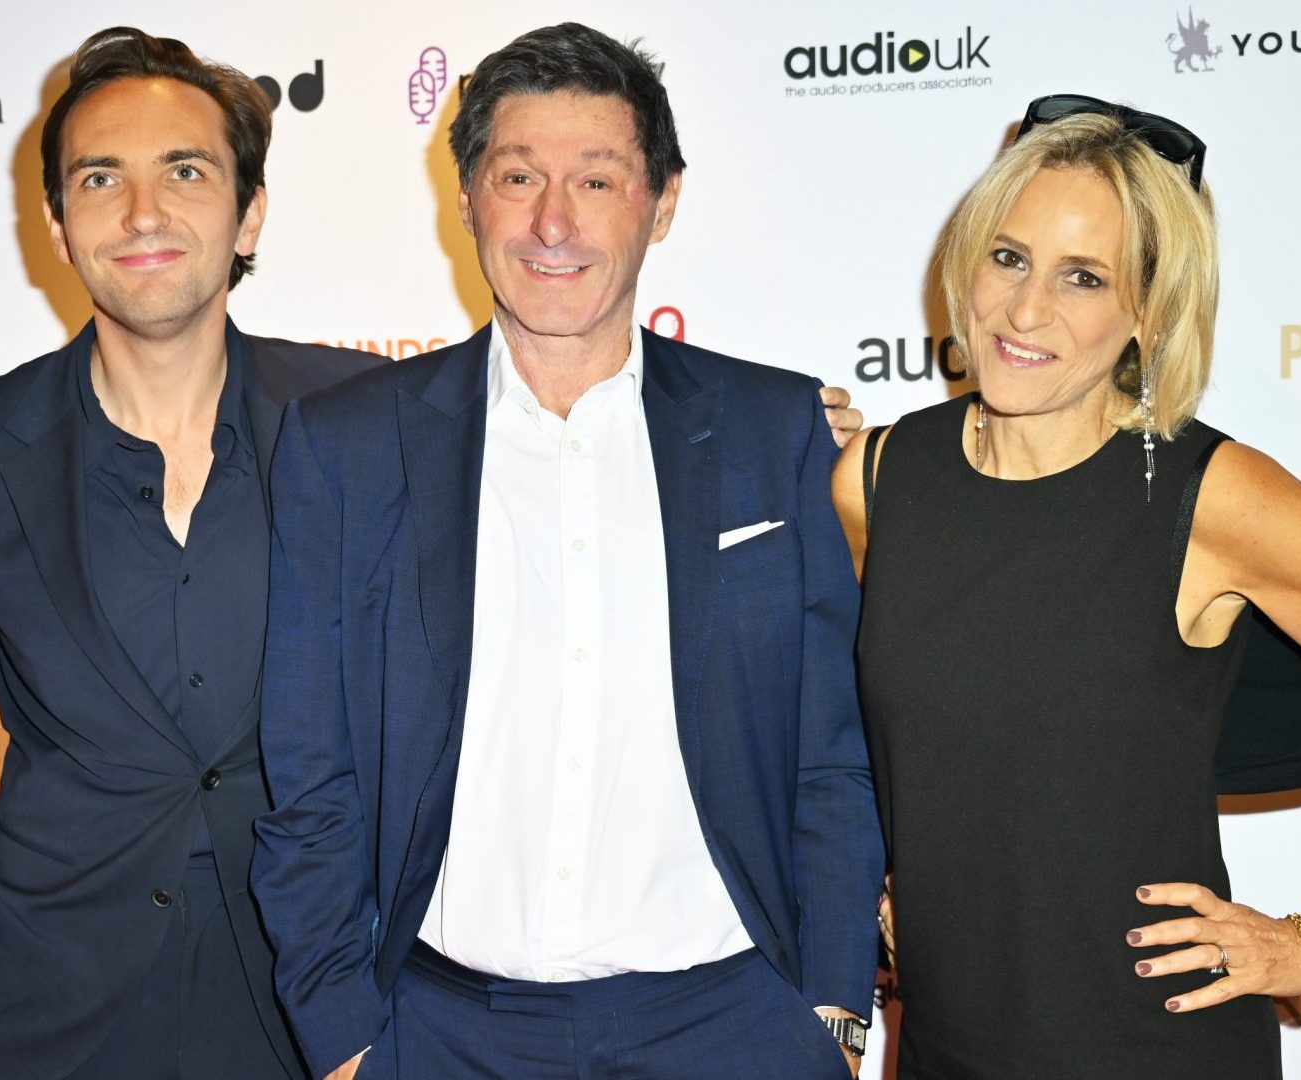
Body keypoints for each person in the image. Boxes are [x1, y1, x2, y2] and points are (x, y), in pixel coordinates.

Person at [836, 95, 1301, 1078]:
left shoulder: (1212, 497)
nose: (1025, 311)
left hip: (1157, 1046)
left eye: (1084, 278)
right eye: (1008, 256)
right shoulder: (876, 480)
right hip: (949, 1046)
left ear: (1148, 311)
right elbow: (850, 727)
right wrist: (877, 881)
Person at [251, 23, 882, 1080]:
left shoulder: (777, 432)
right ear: (465, 201)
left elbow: (830, 752)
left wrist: (831, 1011)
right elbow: (308, 769)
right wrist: (345, 1041)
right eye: (517, 176)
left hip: (735, 1025)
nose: (554, 221)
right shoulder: (348, 448)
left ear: (663, 202)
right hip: (440, 1035)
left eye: (597, 179)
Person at [0, 27, 381, 1080]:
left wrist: (785, 433)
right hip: (51, 1007)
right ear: (57, 221)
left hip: (315, 1002)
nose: (143, 212)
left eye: (185, 170)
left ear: (249, 210)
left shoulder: (364, 414)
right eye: (101, 178)